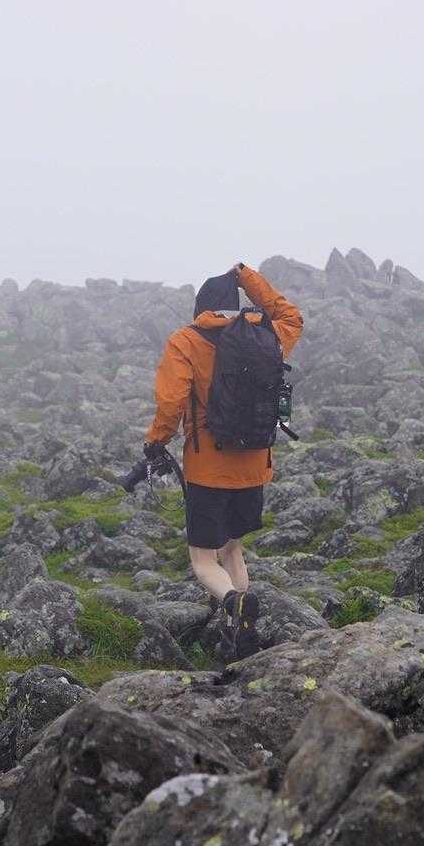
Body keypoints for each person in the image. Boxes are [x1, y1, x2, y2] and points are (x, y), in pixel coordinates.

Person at [145, 262, 303, 657]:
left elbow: (171, 402)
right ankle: (240, 633)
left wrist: (156, 442)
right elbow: (292, 316)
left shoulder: (186, 341)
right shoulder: (267, 336)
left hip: (208, 471)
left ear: (201, 307)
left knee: (203, 560)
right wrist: (247, 276)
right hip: (254, 466)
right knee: (232, 549)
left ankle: (234, 604)